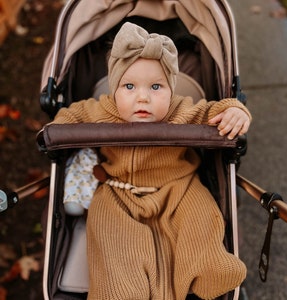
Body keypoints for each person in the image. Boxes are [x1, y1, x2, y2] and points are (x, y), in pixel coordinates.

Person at [52, 22, 251, 300]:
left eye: (156, 86)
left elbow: (213, 111)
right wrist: (57, 126)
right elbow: (70, 116)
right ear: (114, 88)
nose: (143, 97)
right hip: (119, 191)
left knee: (203, 218)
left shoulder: (180, 109)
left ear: (171, 90)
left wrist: (234, 110)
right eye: (129, 86)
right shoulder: (100, 110)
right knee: (112, 241)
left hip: (178, 187)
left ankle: (211, 269)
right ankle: (122, 292)